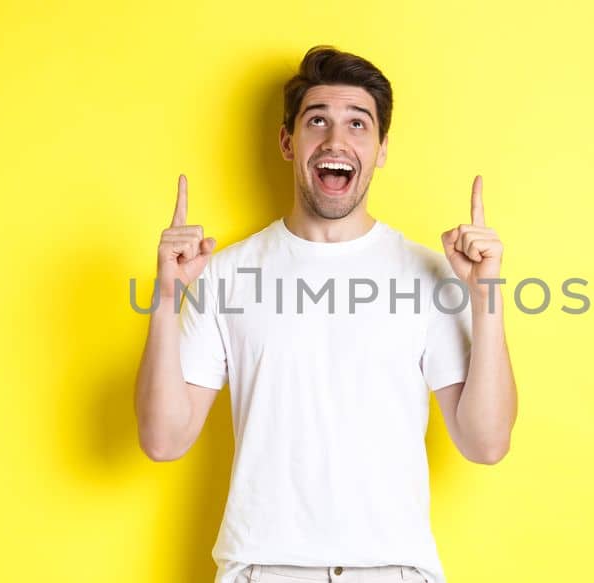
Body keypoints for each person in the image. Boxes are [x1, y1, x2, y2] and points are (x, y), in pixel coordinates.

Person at [134, 45, 518, 583]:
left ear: (381, 148)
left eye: (358, 124)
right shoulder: (223, 274)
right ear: (288, 142)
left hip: (393, 571)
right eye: (318, 121)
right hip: (263, 570)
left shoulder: (432, 276)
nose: (337, 140)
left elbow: (487, 443)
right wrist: (166, 298)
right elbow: (162, 440)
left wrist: (486, 298)